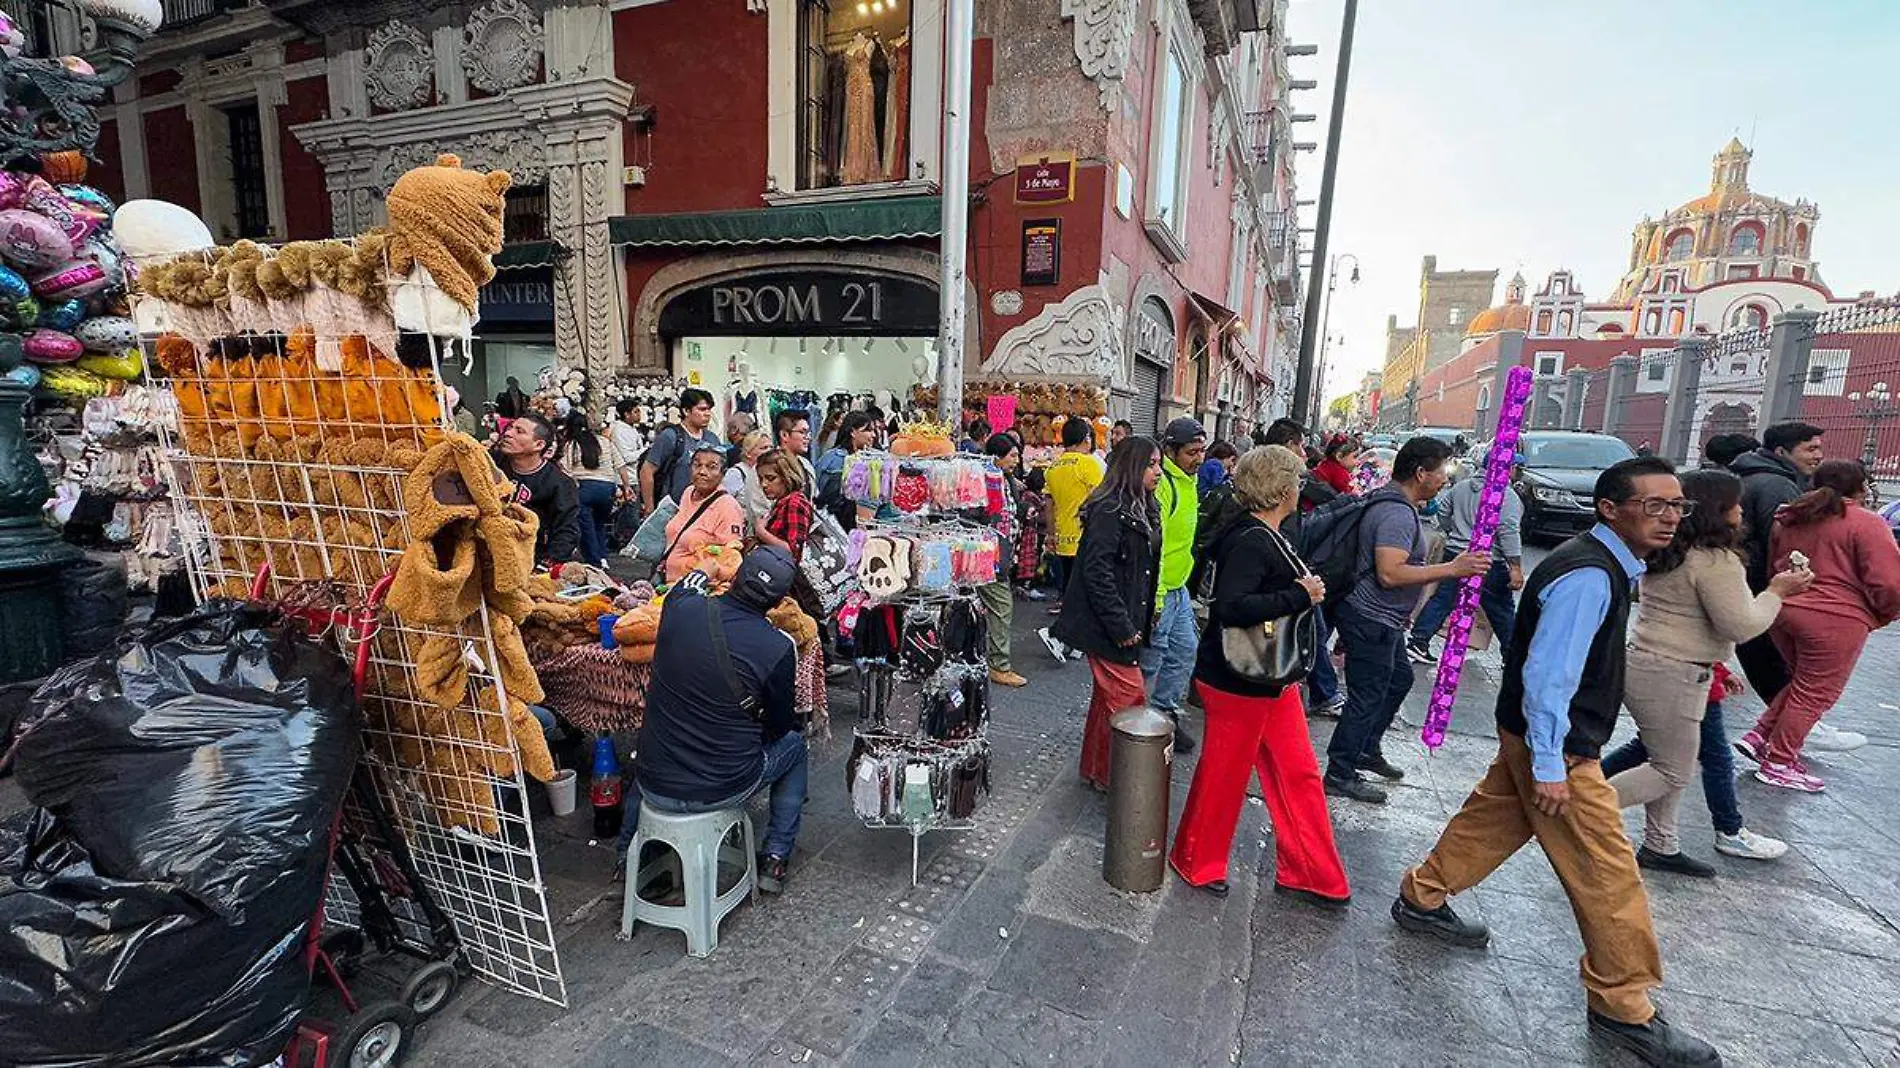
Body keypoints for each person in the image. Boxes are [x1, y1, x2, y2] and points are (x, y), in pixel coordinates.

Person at [1394, 457, 1724, 1068]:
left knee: (1493, 820)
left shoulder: (1601, 565)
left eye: (1678, 507)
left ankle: (1423, 896)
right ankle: (1624, 1004)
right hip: (1561, 747)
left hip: (1539, 736)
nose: (1670, 518)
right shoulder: (1589, 576)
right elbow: (1550, 676)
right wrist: (1550, 763)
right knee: (1607, 872)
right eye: (1655, 506)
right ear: (1610, 509)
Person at [1170, 446, 1349, 907]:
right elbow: (1230, 607)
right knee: (1224, 774)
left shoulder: (1267, 532)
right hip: (1240, 677)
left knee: (1300, 773)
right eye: (1297, 479)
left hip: (1269, 674)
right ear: (1282, 487)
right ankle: (1196, 860)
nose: (1301, 486)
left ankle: (1312, 871)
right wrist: (1298, 594)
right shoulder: (1251, 538)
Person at [1604, 469, 1807, 874]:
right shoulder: (1716, 561)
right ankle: (1580, 809)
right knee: (1671, 770)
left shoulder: (1669, 552)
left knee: (1666, 757)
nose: (1741, 511)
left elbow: (1691, 619)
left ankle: (1662, 843)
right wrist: (1777, 593)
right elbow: (1742, 625)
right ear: (1720, 510)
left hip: (1656, 664)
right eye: (1735, 504)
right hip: (1675, 673)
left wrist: (1717, 664)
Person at [619, 547, 807, 892]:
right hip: (724, 786)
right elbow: (779, 727)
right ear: (779, 602)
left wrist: (710, 566)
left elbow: (691, 580)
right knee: (795, 746)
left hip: (653, 781)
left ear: (734, 578)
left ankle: (627, 858)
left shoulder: (681, 607)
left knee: (656, 743)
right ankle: (776, 858)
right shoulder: (779, 647)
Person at [1322, 437, 1488, 802]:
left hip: (1385, 619)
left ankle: (1365, 749)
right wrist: (1452, 568)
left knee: (1399, 679)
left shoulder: (1401, 505)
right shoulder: (1396, 513)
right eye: (1442, 472)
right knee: (1367, 695)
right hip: (1370, 617)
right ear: (1420, 473)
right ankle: (1340, 770)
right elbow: (1390, 574)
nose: (1446, 480)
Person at [1739, 460, 1900, 791]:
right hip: (1837, 616)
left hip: (1786, 608)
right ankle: (1780, 761)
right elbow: (1888, 582)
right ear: (1861, 487)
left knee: (1802, 684)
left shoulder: (1791, 518)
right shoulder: (1865, 523)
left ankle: (1760, 735)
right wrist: (1887, 612)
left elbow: (1775, 563)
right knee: (1816, 693)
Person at [1051, 437, 1163, 790]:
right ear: (1132, 467)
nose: (1158, 472)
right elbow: (1096, 573)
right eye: (1151, 465)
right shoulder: (1111, 509)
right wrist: (1123, 626)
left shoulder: (1141, 505)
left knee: (1107, 701)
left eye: (1158, 464)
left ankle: (1099, 771)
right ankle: (1123, 779)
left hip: (1125, 618)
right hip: (1108, 624)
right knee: (1130, 699)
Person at [1728, 421, 1823, 709]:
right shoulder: (1777, 484)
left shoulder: (1754, 475)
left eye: (1819, 448)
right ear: (1782, 451)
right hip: (1761, 581)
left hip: (1747, 577)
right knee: (1769, 656)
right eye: (1810, 449)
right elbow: (1783, 541)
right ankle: (1789, 720)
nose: (1818, 455)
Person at [1406, 453, 1525, 663]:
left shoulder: (1461, 487)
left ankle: (1418, 641)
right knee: (1501, 608)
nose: (1517, 471)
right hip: (1487, 558)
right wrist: (1515, 565)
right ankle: (1513, 655)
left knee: (1443, 599)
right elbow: (1508, 531)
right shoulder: (1505, 495)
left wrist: (1455, 533)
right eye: (1515, 466)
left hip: (1456, 552)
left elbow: (1443, 512)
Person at [1145, 418, 1207, 753]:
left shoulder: (1188, 480)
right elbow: (1157, 545)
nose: (1198, 459)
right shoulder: (1164, 483)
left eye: (1201, 451)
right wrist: (1155, 599)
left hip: (1178, 588)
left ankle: (1164, 714)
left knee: (1184, 651)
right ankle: (1138, 728)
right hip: (1161, 590)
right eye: (1191, 452)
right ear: (1170, 451)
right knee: (1152, 660)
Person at [1037, 415, 1106, 644]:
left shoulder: (1054, 465)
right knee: (1086, 592)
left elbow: (1049, 503)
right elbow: (1102, 496)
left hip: (1063, 538)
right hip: (1085, 537)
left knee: (1068, 590)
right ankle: (1064, 636)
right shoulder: (1089, 464)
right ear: (1087, 438)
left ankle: (1068, 637)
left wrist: (1051, 534)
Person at [494, 412, 580, 566]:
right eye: (510, 427)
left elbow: (566, 529)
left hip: (530, 559)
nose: (507, 433)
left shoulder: (560, 483)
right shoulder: (492, 463)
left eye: (519, 431)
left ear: (539, 445)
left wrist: (549, 564)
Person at [980, 435, 1028, 688]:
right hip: (989, 555)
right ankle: (999, 665)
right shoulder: (987, 481)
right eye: (1012, 455)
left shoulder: (1006, 480)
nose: (1016, 460)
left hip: (1002, 553)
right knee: (1001, 606)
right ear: (997, 457)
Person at [661, 445, 747, 584]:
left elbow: (730, 559)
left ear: (723, 473)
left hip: (695, 589)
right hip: (669, 582)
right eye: (697, 465)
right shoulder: (689, 492)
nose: (702, 471)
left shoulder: (727, 506)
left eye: (711, 467)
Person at [560, 410, 628, 568]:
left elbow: (565, 468)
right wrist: (626, 487)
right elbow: (620, 465)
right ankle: (603, 557)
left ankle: (594, 561)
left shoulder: (572, 444)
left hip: (584, 488)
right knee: (599, 524)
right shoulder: (604, 441)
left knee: (586, 527)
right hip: (607, 488)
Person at [640, 388, 722, 512]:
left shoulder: (712, 439)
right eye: (701, 409)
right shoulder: (671, 436)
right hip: (673, 509)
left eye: (709, 409)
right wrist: (649, 507)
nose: (707, 414)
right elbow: (647, 471)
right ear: (686, 411)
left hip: (705, 510)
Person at [813, 410, 879, 529]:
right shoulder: (834, 461)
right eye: (868, 430)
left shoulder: (870, 460)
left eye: (873, 430)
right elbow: (818, 494)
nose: (873, 435)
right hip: (836, 527)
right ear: (853, 432)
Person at [753, 449, 815, 561]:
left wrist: (761, 532)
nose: (764, 484)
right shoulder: (781, 502)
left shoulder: (795, 503)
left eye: (770, 478)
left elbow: (794, 552)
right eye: (760, 478)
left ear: (787, 476)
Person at [722, 429, 774, 527]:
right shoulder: (735, 474)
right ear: (748, 453)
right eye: (764, 448)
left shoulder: (772, 473)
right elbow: (722, 502)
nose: (769, 451)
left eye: (771, 447)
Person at [774, 409, 820, 494]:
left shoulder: (806, 464)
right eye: (803, 432)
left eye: (808, 433)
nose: (808, 437)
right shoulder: (768, 465)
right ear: (784, 435)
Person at [610, 398, 646, 500]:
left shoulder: (632, 429)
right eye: (636, 412)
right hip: (625, 481)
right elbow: (626, 457)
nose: (639, 414)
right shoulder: (619, 431)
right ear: (626, 414)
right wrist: (645, 451)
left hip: (635, 478)